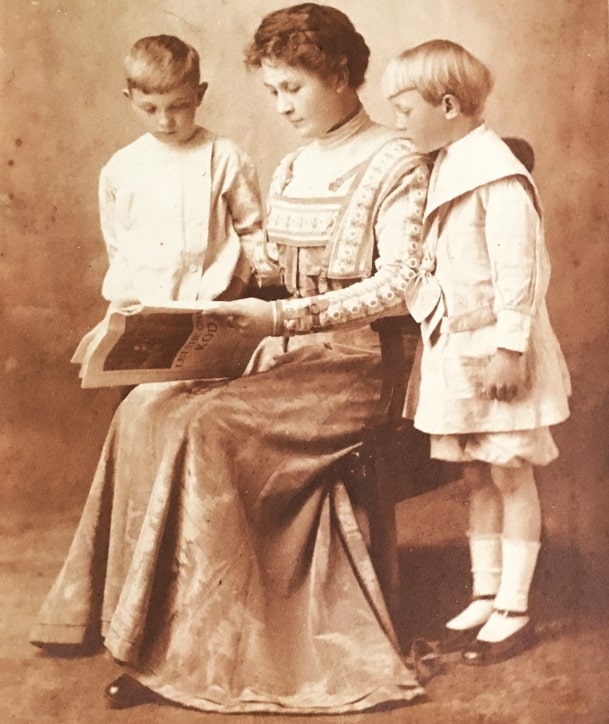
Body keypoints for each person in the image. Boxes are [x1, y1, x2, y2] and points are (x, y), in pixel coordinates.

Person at [30, 4, 435, 714]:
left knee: (206, 427)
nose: (279, 107)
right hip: (283, 351)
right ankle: (136, 624)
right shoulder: (292, 166)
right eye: (271, 91)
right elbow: (270, 268)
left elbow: (398, 283)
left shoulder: (395, 158)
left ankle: (201, 653)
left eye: (292, 89)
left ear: (339, 74)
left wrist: (281, 316)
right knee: (147, 409)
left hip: (364, 366)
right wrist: (185, 313)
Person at [382, 39, 571, 665]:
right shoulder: (448, 165)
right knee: (474, 475)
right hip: (456, 352)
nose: (398, 121)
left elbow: (521, 269)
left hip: (496, 351)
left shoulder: (496, 174)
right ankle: (484, 592)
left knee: (510, 471)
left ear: (448, 103)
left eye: (404, 109)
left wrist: (511, 348)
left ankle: (515, 604)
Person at [97, 33, 268, 306]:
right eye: (150, 109)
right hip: (141, 307)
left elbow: (252, 234)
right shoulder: (120, 168)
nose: (164, 121)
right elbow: (118, 246)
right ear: (129, 99)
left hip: (214, 303)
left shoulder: (225, 157)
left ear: (199, 95)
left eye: (178, 106)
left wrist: (233, 291)